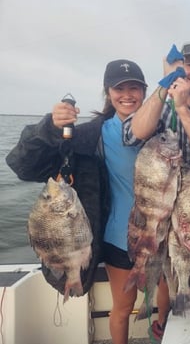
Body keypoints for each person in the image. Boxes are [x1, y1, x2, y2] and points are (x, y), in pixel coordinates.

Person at [6, 59, 148, 344]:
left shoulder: (160, 131)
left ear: (145, 92)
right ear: (108, 93)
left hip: (159, 235)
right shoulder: (85, 136)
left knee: (164, 300)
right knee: (121, 309)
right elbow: (23, 166)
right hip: (115, 239)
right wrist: (47, 127)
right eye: (119, 88)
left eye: (135, 87)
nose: (127, 94)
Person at [122, 40, 190, 342]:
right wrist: (164, 87)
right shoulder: (159, 101)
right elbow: (133, 133)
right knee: (161, 271)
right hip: (158, 210)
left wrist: (183, 109)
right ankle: (166, 326)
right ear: (178, 67)